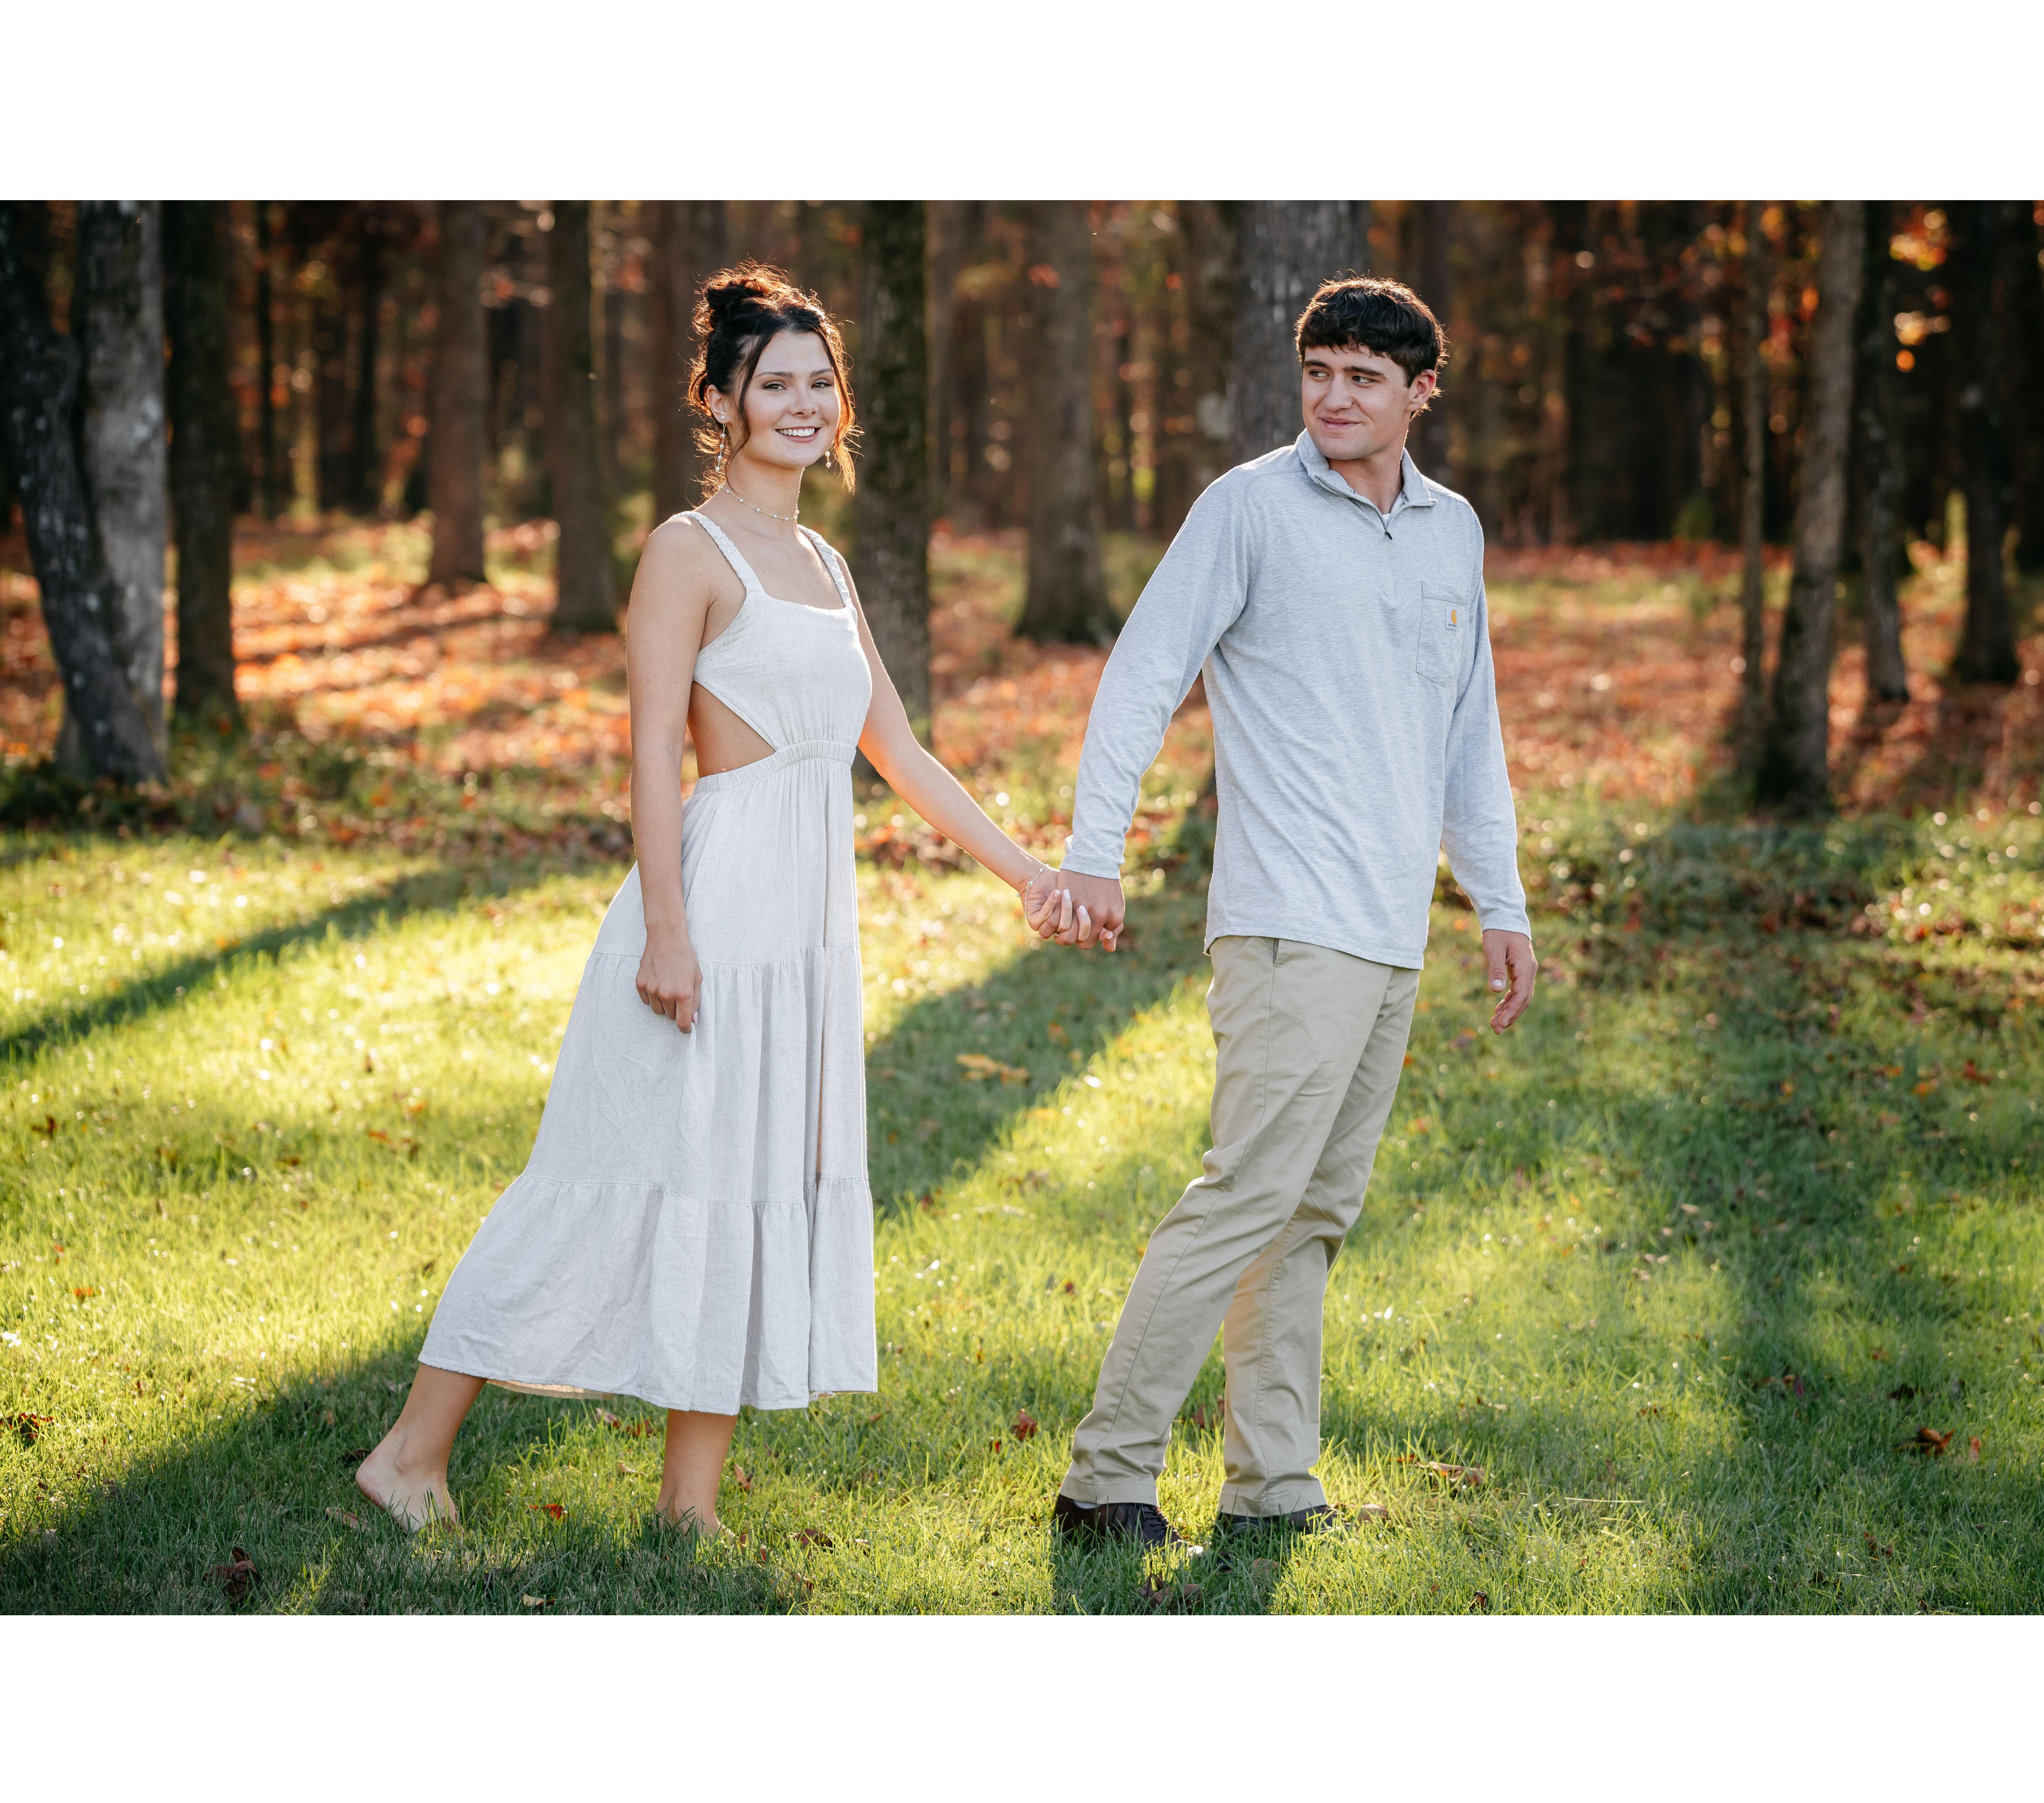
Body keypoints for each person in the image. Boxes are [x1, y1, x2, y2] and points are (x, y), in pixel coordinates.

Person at [357, 265, 1088, 1536]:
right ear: (721, 401)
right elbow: (652, 747)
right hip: (711, 903)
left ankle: (686, 1510)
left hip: (804, 925)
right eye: (775, 384)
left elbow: (897, 751)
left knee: (743, 1186)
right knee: (596, 1177)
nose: (803, 404)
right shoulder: (684, 551)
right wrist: (669, 932)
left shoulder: (824, 562)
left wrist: (1026, 871)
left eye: (820, 383)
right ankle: (408, 1456)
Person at [1047, 274, 1538, 1549]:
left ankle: (1270, 1485)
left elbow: (1467, 732)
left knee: (1309, 1214)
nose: (1333, 396)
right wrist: (1095, 850)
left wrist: (1500, 900)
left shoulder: (1451, 531)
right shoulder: (1247, 508)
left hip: (1389, 929)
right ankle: (1105, 1476)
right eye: (1318, 371)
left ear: (1420, 392)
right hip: (1284, 920)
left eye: (1363, 377)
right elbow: (1142, 676)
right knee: (1243, 1197)